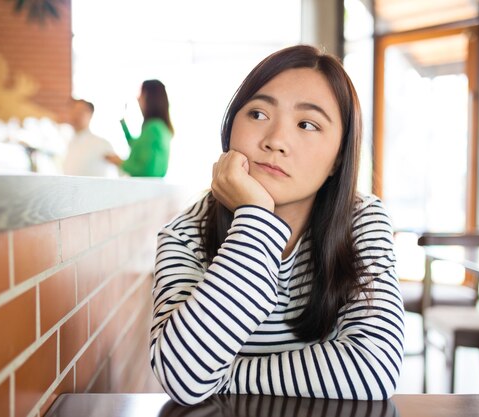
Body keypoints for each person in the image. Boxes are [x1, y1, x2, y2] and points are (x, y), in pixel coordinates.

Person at [149, 45, 405, 405]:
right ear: (229, 130)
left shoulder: (361, 219)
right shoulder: (185, 235)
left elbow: (373, 369)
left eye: (307, 124)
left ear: (338, 158)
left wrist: (222, 375)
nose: (275, 141)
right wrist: (255, 219)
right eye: (257, 114)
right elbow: (182, 377)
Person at [105, 79, 174, 177]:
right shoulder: (158, 127)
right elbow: (136, 146)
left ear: (149, 97)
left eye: (141, 94)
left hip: (147, 188)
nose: (138, 98)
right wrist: (123, 123)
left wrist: (120, 162)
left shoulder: (153, 128)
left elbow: (147, 170)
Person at [63, 99, 119, 177]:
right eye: (74, 111)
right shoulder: (66, 140)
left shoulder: (101, 144)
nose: (76, 115)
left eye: (80, 112)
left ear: (90, 115)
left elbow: (120, 165)